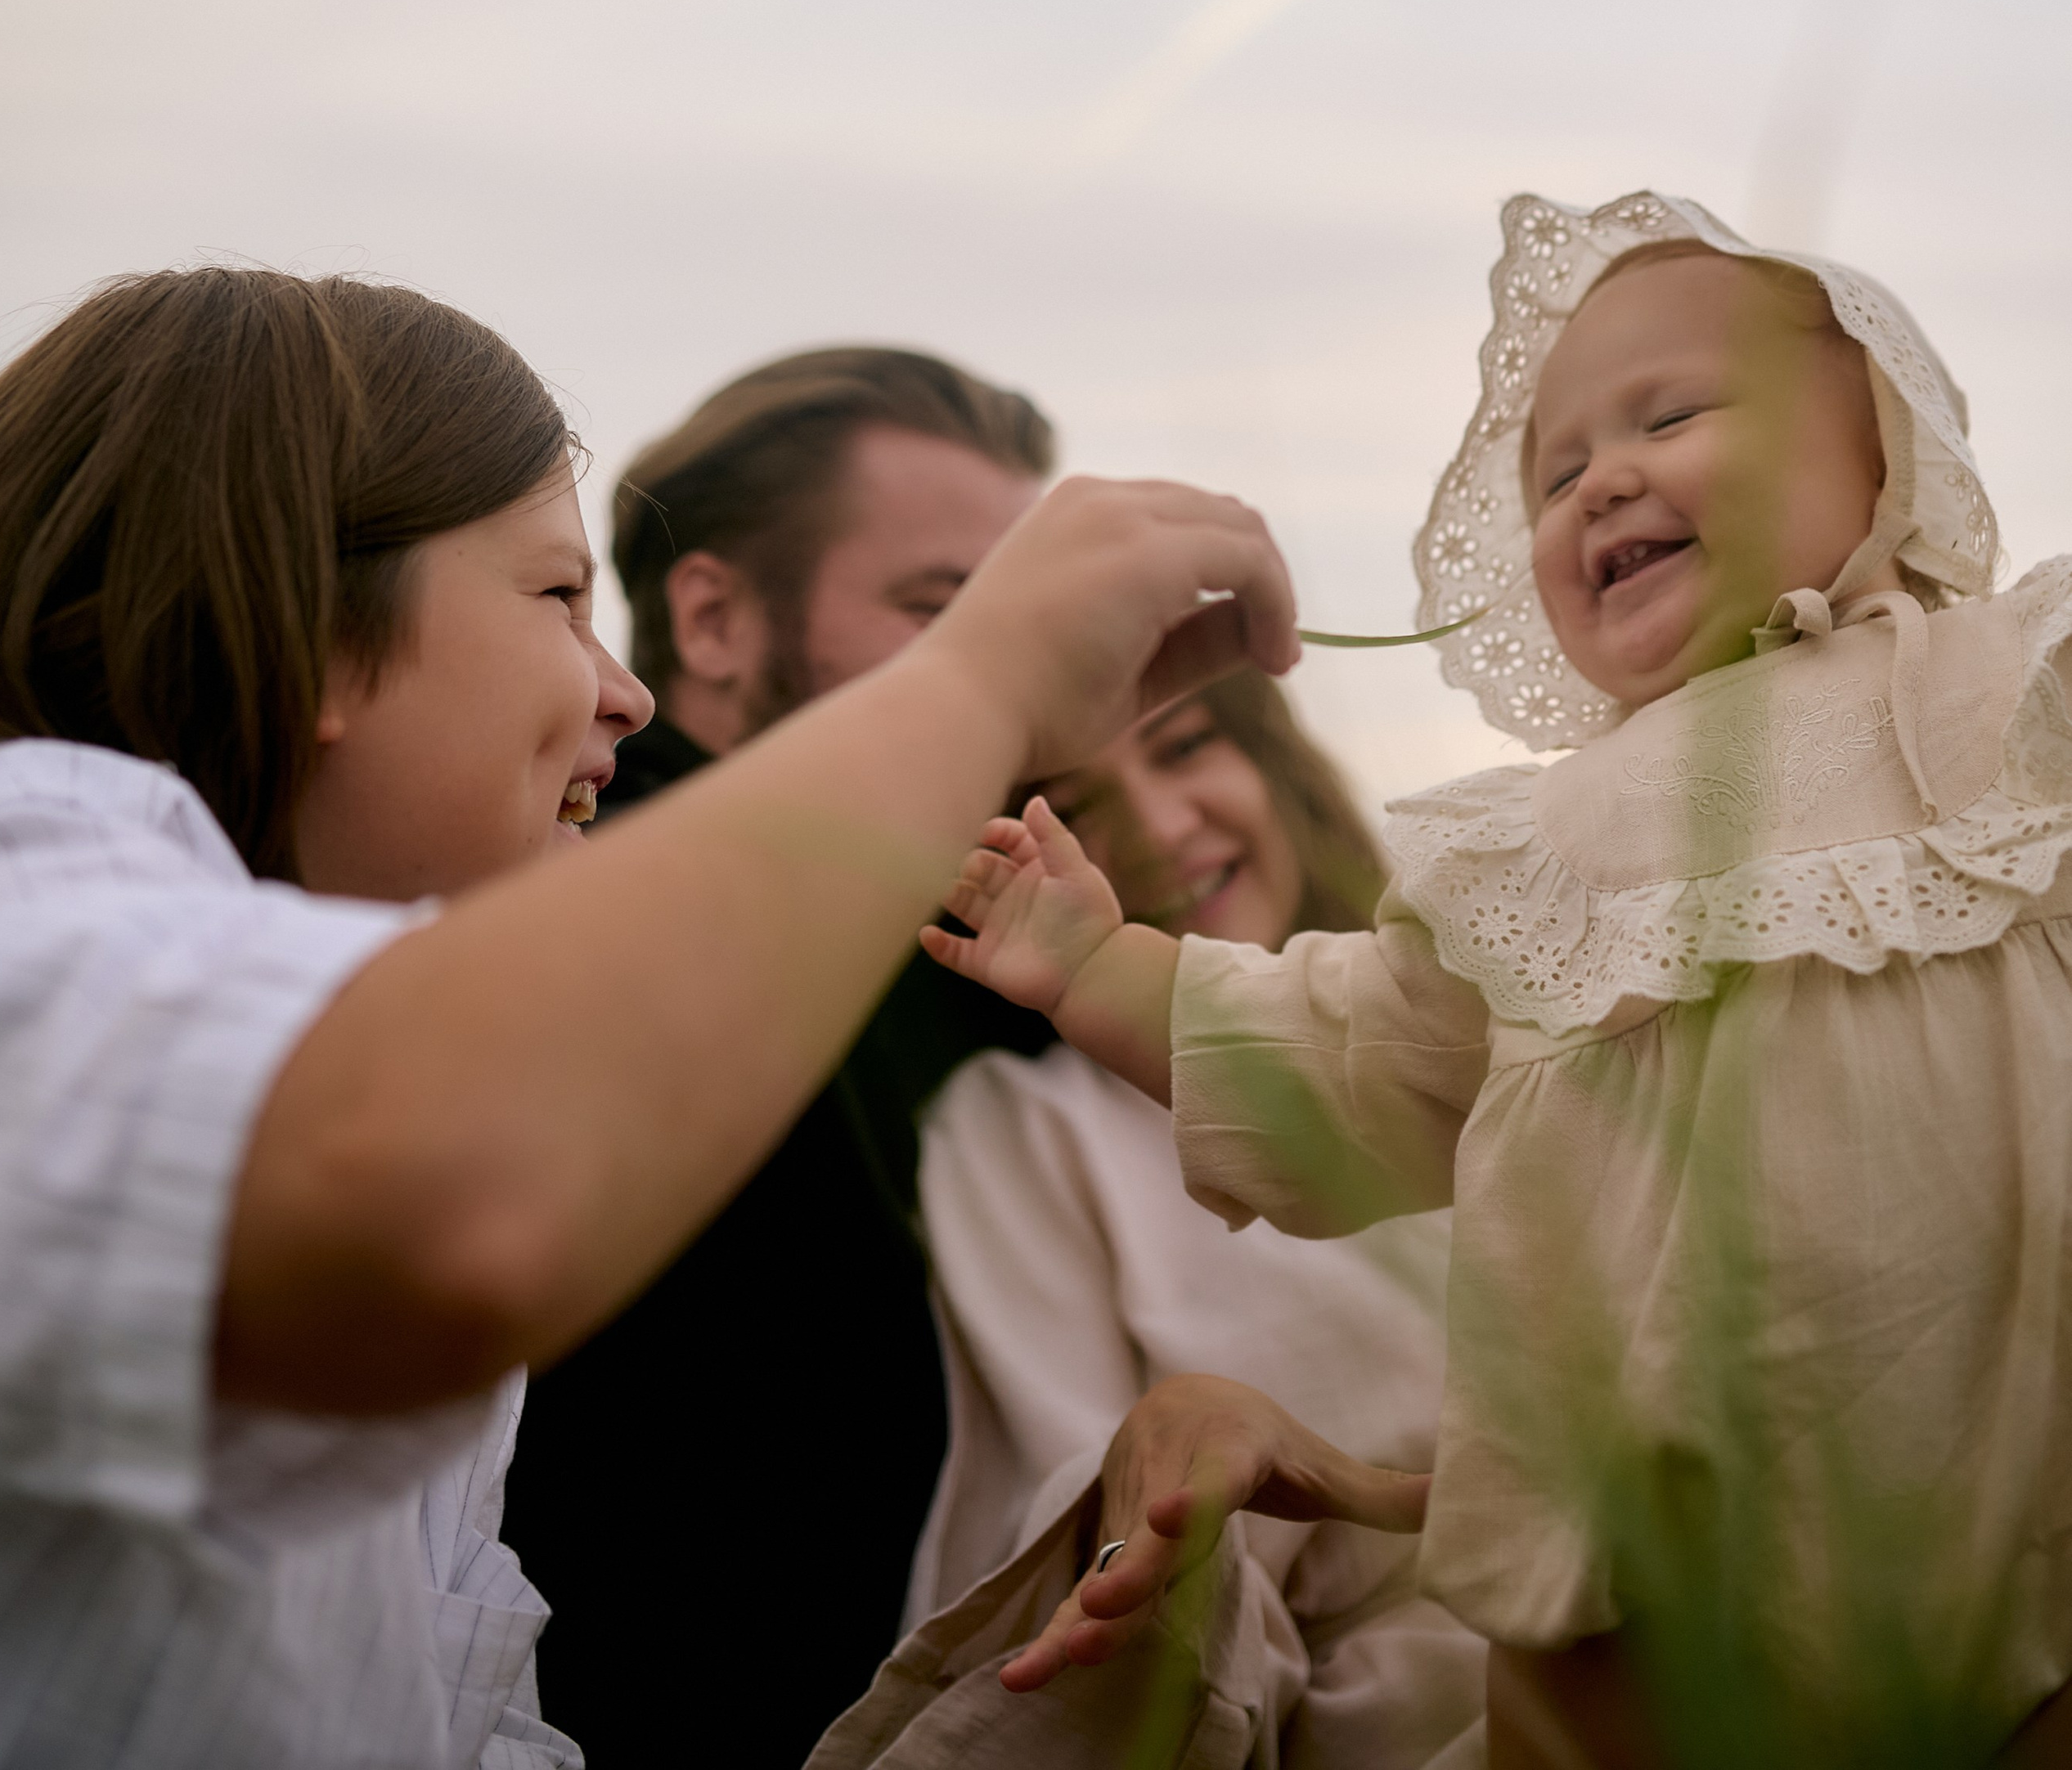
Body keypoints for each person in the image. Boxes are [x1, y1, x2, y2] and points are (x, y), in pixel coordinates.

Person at [0, 266, 1315, 1769]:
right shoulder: (12, 866)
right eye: (556, 596)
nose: (620, 692)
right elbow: (435, 1196)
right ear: (305, 621)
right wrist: (988, 678)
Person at [927, 190, 2072, 1766]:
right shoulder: (1541, 849)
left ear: (1880, 437)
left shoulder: (2013, 692)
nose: (1603, 472)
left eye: (1672, 409)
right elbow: (1340, 1049)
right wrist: (1096, 961)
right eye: (1553, 469)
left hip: (2027, 1510)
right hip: (1649, 1602)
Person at [504, 348, 1067, 1766]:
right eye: (946, 610)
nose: (1015, 670)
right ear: (712, 616)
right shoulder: (563, 894)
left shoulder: (963, 925)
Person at [815, 667, 1485, 1768]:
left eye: (1186, 747)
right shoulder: (1021, 1133)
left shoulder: (1482, 1022)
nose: (1163, 827)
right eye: (1068, 809)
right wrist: (1182, 1451)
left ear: (1273, 763)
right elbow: (1070, 1550)